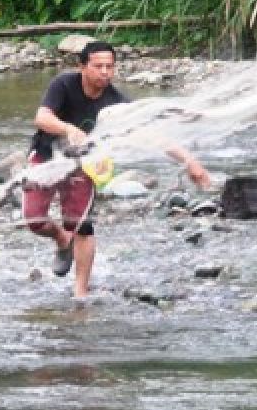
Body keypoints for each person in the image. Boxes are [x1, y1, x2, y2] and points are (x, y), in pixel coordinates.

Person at [23, 40, 210, 298]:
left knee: (82, 226)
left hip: (83, 166)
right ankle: (61, 239)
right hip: (46, 156)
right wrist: (68, 128)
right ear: (82, 67)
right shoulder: (63, 85)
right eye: (98, 66)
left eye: (110, 66)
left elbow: (151, 135)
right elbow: (41, 118)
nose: (105, 72)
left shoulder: (117, 103)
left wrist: (190, 161)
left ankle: (80, 293)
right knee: (35, 221)